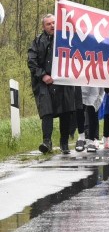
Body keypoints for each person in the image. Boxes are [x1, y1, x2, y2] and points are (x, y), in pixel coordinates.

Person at [28, 14, 79, 154]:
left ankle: (64, 143)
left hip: (63, 80)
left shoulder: (65, 38)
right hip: (44, 82)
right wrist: (43, 75)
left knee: (66, 111)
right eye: (48, 24)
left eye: (54, 23)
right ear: (43, 26)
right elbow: (32, 62)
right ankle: (47, 142)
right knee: (47, 111)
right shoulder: (37, 41)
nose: (52, 25)